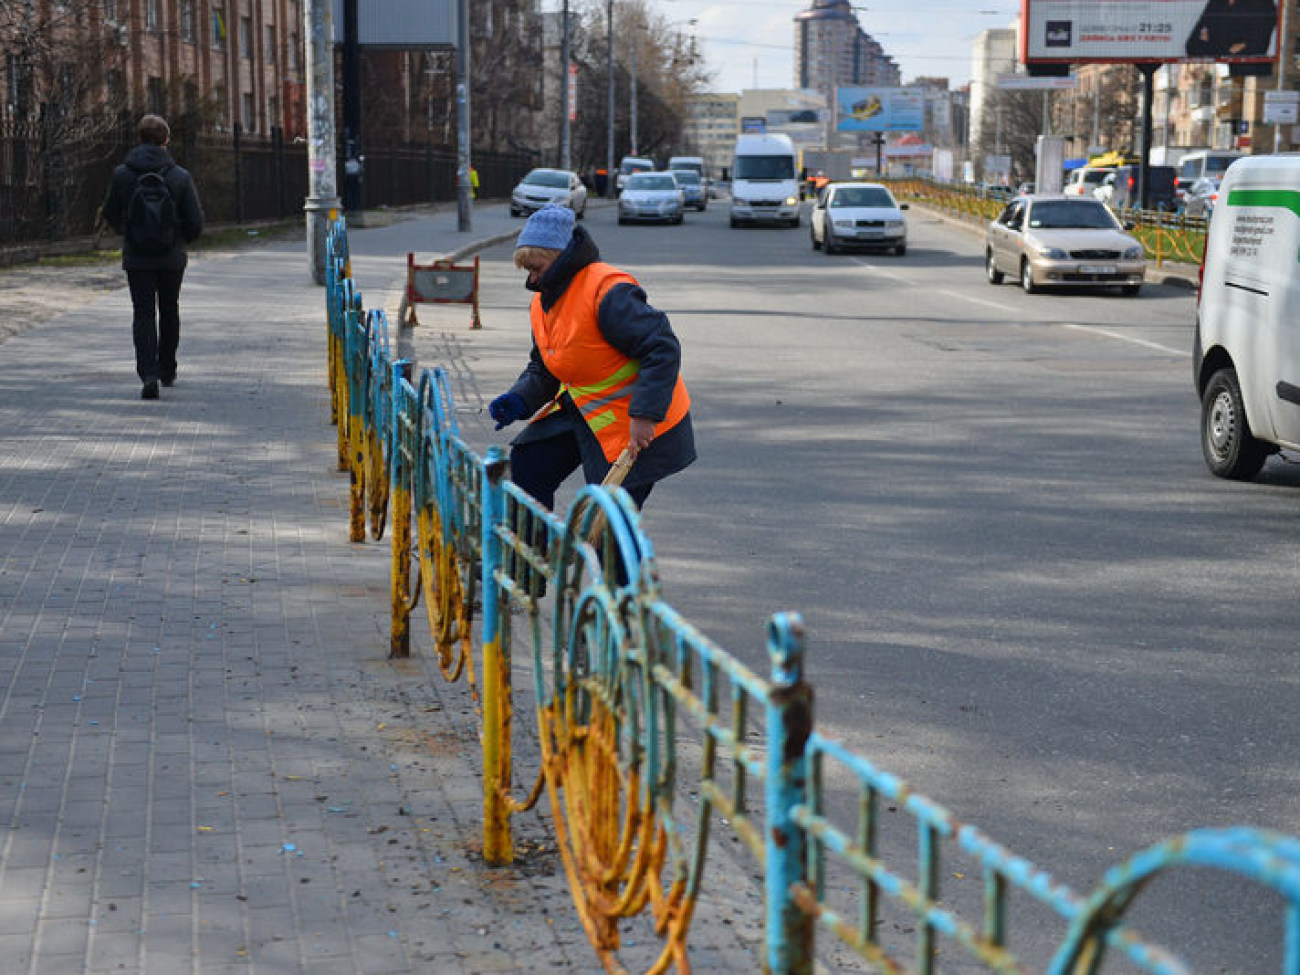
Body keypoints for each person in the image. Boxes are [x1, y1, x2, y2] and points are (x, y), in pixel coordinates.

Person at [488, 204, 695, 514]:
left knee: (607, 526)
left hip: (638, 426)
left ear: (561, 259)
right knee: (528, 464)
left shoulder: (608, 291)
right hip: (587, 413)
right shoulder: (544, 301)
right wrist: (519, 399)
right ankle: (532, 557)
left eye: (537, 268)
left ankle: (613, 563)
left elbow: (662, 348)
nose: (532, 278)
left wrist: (645, 416)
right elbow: (545, 367)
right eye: (527, 270)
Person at [101, 114, 204, 400]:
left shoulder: (122, 174)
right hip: (171, 257)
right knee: (169, 308)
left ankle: (148, 373)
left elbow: (109, 212)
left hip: (137, 257)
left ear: (138, 138)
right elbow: (195, 221)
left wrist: (129, 233)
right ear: (166, 141)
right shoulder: (179, 176)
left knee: (143, 313)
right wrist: (180, 240)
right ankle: (167, 368)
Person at [1185, 0, 1277, 57]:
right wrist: (1228, 51)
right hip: (1217, 69)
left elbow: (1258, 46)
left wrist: (1213, 46)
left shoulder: (1264, 3)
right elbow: (1192, 45)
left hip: (1249, 75)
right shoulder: (1216, 3)